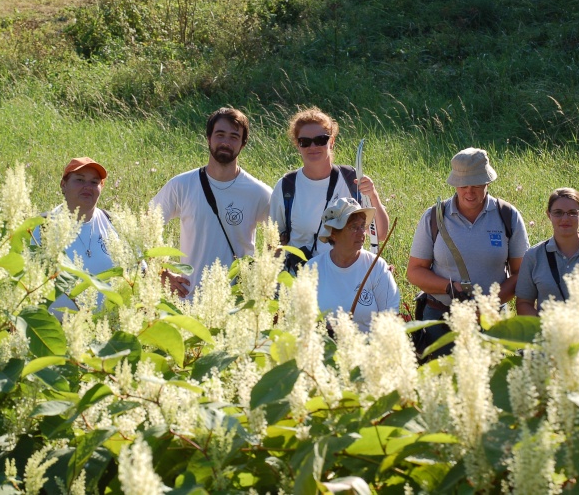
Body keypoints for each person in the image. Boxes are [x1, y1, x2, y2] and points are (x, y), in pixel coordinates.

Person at [406, 147, 530, 358]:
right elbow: (415, 271)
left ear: (487, 182)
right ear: (454, 184)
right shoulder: (434, 217)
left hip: (492, 322)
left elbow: (522, 274)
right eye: (463, 185)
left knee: (492, 383)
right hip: (442, 320)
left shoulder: (507, 215)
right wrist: (449, 287)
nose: (469, 192)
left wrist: (488, 304)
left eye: (476, 184)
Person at [150, 107, 272, 299]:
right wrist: (162, 273)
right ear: (208, 138)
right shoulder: (181, 185)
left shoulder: (258, 193)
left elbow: (282, 240)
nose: (225, 142)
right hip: (189, 300)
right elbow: (145, 227)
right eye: (220, 134)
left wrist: (264, 277)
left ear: (243, 143)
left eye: (234, 137)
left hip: (237, 304)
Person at [269, 107, 390, 272]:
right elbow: (273, 244)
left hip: (347, 278)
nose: (313, 146)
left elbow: (380, 234)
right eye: (305, 141)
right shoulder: (286, 186)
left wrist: (373, 195)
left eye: (320, 140)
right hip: (301, 284)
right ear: (297, 145)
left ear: (331, 142)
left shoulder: (352, 180)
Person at [34, 157, 117, 317]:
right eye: (79, 180)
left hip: (107, 333)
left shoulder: (115, 223)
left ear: (102, 187)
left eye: (94, 182)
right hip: (55, 334)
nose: (88, 187)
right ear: (63, 185)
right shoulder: (42, 227)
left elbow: (140, 272)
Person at [516, 188, 579, 315]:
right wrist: (545, 329)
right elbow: (523, 303)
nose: (565, 219)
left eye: (572, 213)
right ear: (549, 215)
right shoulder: (533, 256)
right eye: (558, 213)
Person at [306, 197, 400, 333]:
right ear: (333, 234)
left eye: (362, 226)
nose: (362, 233)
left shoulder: (376, 266)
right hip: (323, 351)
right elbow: (301, 318)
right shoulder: (313, 269)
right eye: (354, 227)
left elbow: (391, 317)